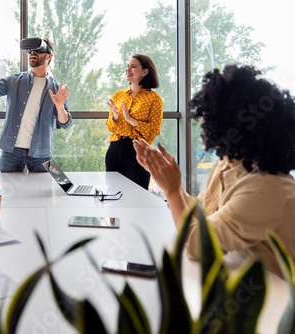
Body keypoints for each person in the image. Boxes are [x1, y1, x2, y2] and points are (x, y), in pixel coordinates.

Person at [134, 65, 295, 276]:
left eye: (209, 114)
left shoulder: (266, 186)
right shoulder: (226, 164)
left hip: (276, 295)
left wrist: (172, 190)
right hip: (239, 277)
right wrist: (167, 181)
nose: (202, 121)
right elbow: (201, 213)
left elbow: (197, 245)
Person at [0, 38, 72, 172]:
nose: (33, 53)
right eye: (31, 51)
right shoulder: (14, 80)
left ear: (49, 56)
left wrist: (59, 106)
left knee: (42, 192)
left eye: (38, 51)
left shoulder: (58, 89)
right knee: (8, 191)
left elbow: (65, 123)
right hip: (11, 151)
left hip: (42, 153)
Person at [105, 54, 163, 189]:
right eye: (128, 66)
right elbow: (111, 126)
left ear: (145, 72)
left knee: (137, 199)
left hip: (138, 153)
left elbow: (153, 131)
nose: (128, 69)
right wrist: (115, 116)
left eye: (133, 66)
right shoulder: (118, 95)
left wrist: (130, 120)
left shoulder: (154, 98)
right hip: (114, 150)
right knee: (113, 195)